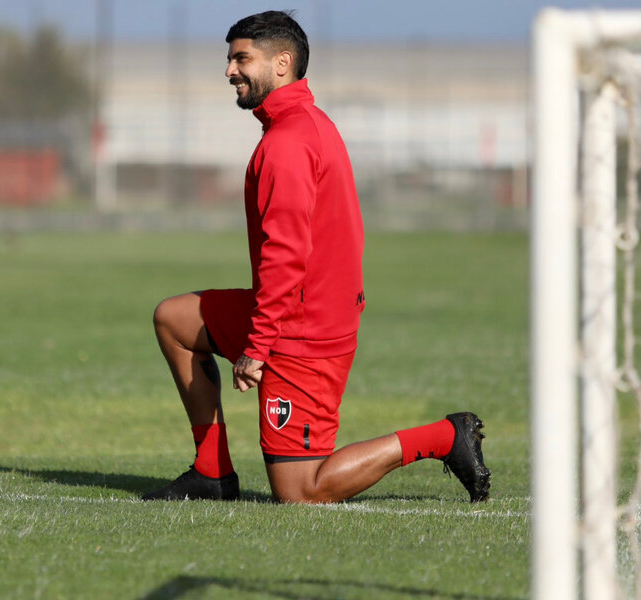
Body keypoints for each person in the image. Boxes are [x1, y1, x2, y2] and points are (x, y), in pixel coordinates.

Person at [142, 11, 490, 504]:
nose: (230, 71)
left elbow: (286, 255)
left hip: (302, 331)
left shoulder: (286, 143)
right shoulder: (304, 123)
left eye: (242, 58)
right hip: (294, 309)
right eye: (229, 59)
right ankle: (211, 472)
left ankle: (444, 437)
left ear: (282, 63)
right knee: (174, 320)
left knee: (300, 492)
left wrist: (258, 348)